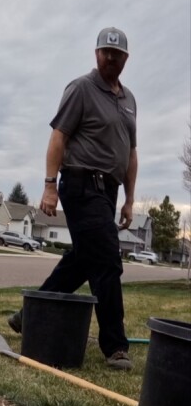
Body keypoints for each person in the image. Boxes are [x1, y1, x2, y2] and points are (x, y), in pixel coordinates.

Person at [8, 27, 137, 371]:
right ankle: (115, 346)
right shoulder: (81, 88)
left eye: (117, 54)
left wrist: (129, 199)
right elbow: (58, 137)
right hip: (81, 184)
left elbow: (131, 153)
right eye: (105, 52)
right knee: (107, 260)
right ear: (96, 54)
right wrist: (50, 185)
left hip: (108, 191)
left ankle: (29, 315)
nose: (110, 58)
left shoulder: (129, 101)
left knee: (83, 259)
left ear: (126, 58)